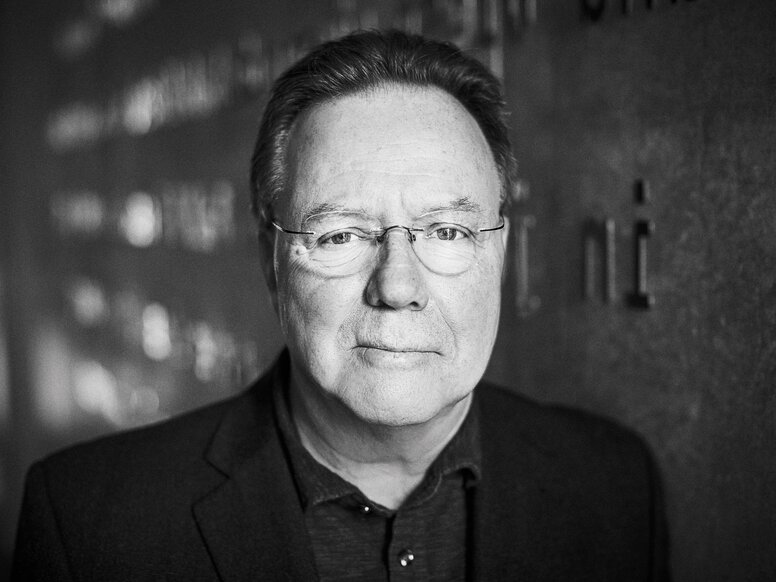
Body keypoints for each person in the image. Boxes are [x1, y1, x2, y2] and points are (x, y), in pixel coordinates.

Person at [13, 30, 670, 581]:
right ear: (271, 262)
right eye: (341, 236)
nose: (398, 286)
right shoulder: (90, 529)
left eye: (447, 231)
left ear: (499, 253)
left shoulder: (613, 487)